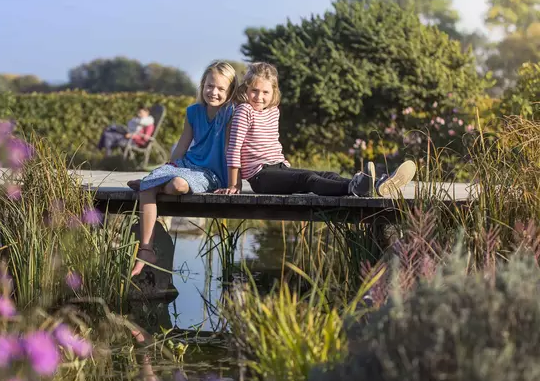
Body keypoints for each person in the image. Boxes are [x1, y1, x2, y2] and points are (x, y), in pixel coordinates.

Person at [216, 62, 416, 198]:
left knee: (327, 174)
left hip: (278, 167)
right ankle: (353, 188)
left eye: (265, 92)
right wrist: (235, 185)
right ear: (246, 90)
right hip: (260, 176)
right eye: (254, 91)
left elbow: (271, 143)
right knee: (308, 179)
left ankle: (374, 185)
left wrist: (284, 164)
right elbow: (233, 149)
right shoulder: (244, 111)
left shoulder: (273, 112)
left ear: (274, 92)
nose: (259, 97)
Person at [127, 61, 238, 276]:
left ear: (230, 91)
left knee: (177, 185)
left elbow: (233, 149)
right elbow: (182, 146)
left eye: (221, 88)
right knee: (151, 185)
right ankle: (146, 249)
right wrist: (170, 165)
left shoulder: (231, 113)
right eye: (209, 86)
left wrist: (235, 182)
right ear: (202, 85)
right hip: (187, 164)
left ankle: (155, 184)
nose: (213, 92)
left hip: (211, 174)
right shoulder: (193, 112)